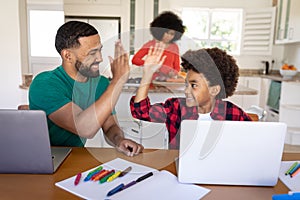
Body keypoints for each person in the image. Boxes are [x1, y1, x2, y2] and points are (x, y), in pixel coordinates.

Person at [29, 21, 144, 156]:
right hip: (42, 159)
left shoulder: (100, 83)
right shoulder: (44, 84)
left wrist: (119, 140)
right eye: (92, 53)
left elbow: (110, 126)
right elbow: (84, 128)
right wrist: (118, 81)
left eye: (99, 50)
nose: (100, 58)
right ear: (68, 56)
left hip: (74, 157)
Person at [130, 44, 252, 149]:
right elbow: (141, 112)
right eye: (186, 84)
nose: (186, 90)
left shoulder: (233, 114)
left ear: (214, 90)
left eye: (193, 85)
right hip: (180, 171)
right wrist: (148, 74)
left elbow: (253, 140)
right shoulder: (176, 108)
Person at [131, 11, 185, 81]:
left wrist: (173, 72)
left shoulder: (174, 47)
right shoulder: (150, 45)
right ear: (160, 31)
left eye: (172, 34)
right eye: (166, 32)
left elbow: (177, 67)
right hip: (152, 81)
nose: (168, 36)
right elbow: (135, 60)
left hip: (168, 83)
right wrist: (150, 66)